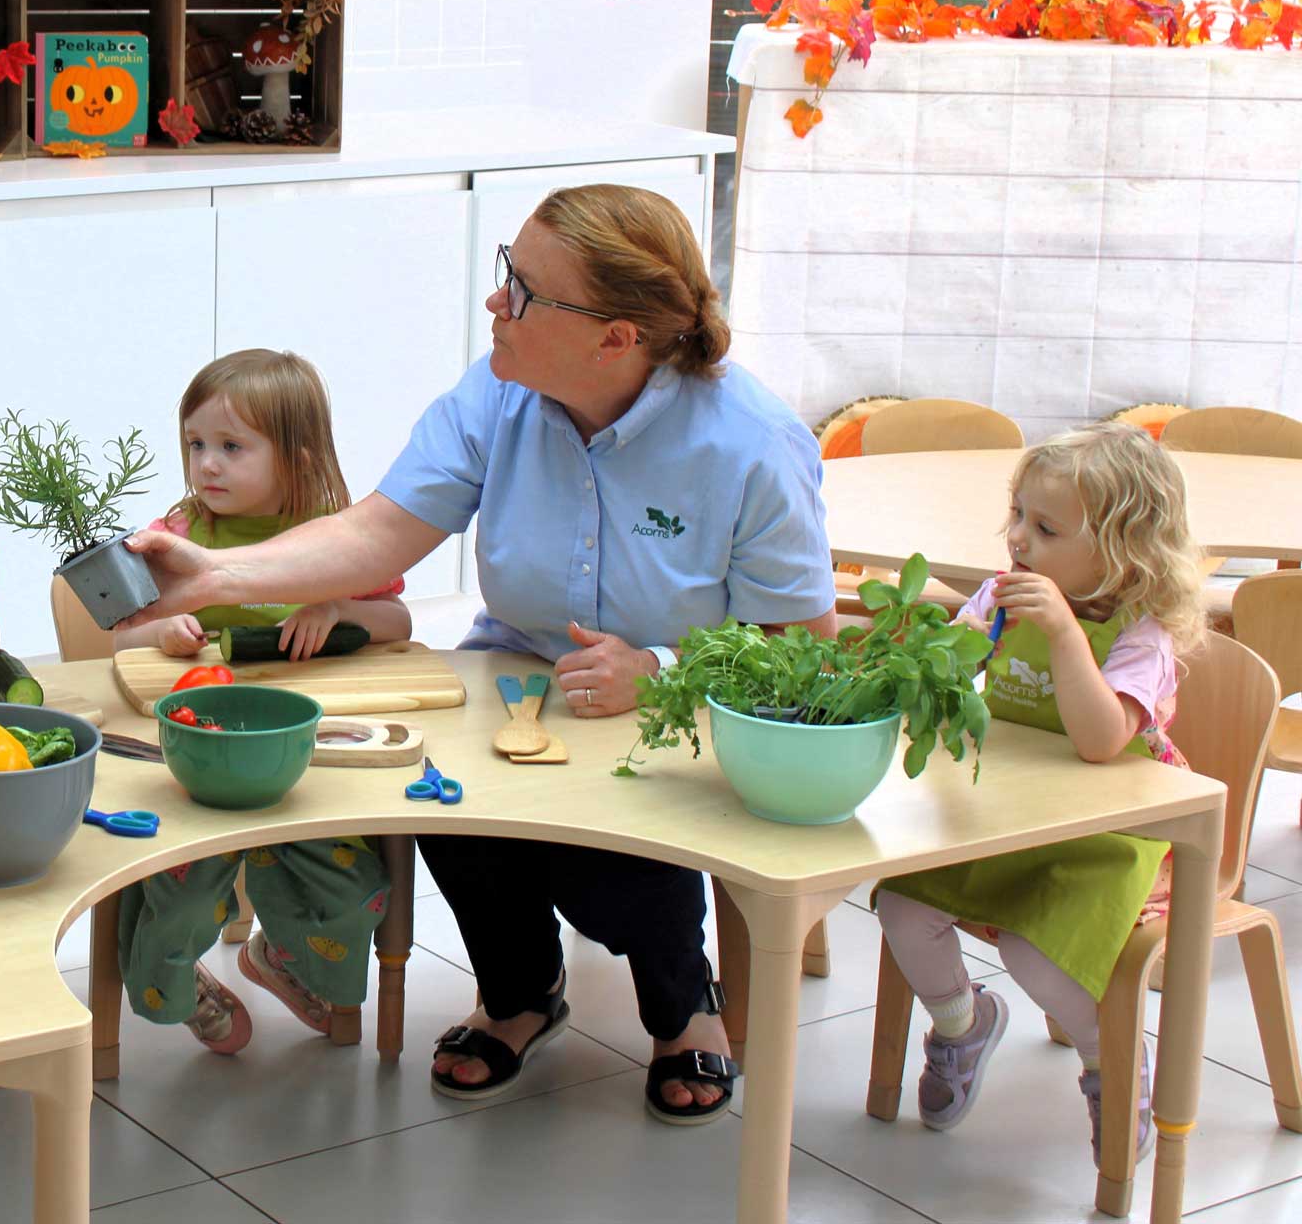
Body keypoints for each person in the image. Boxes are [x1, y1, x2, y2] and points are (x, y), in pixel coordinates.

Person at [126, 185, 836, 1120]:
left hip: (675, 706)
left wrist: (657, 667)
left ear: (615, 337)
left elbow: (804, 649)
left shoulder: (752, 443)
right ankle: (520, 995)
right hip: (517, 671)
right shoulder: (496, 394)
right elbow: (378, 533)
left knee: (618, 859)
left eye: (525, 291)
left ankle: (683, 1007)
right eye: (509, 272)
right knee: (449, 804)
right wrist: (215, 573)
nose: (497, 304)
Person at [873, 423, 1207, 1165]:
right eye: (1017, 514)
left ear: (1124, 553)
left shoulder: (1142, 634)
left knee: (1035, 952)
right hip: (1009, 818)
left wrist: (1060, 632)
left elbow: (1098, 740)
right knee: (900, 903)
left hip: (1109, 840)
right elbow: (948, 680)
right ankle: (962, 1023)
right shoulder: (1001, 596)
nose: (1018, 538)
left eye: (1046, 526)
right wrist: (928, 648)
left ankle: (1109, 1059)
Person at [113, 349, 413, 1053]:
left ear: (298, 457)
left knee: (357, 883)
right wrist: (165, 631)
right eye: (195, 444)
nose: (206, 464)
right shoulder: (181, 535)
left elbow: (399, 624)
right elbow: (121, 637)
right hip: (198, 765)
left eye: (231, 447)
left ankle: (278, 955)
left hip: (311, 765)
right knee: (181, 890)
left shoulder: (341, 537)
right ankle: (178, 984)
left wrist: (340, 607)